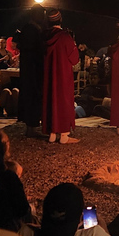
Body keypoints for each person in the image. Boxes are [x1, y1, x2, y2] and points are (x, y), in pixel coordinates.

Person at [41, 9, 80, 144]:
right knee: (63, 101)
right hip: (63, 75)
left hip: (49, 76)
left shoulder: (44, 37)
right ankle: (64, 135)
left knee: (50, 100)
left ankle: (52, 133)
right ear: (60, 20)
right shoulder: (64, 37)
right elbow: (74, 59)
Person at [18, 5, 47, 138]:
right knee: (33, 96)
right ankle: (31, 127)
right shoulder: (31, 30)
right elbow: (34, 52)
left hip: (30, 69)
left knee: (32, 96)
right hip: (32, 70)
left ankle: (32, 126)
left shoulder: (30, 29)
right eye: (42, 14)